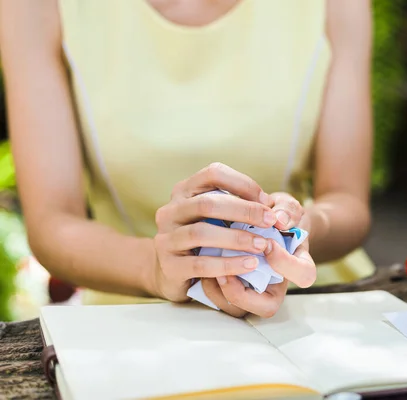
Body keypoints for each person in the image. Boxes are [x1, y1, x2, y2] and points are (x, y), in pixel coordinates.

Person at [0, 0, 375, 318]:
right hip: (134, 316)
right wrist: (155, 265)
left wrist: (292, 232)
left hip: (313, 307)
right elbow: (53, 222)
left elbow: (347, 201)